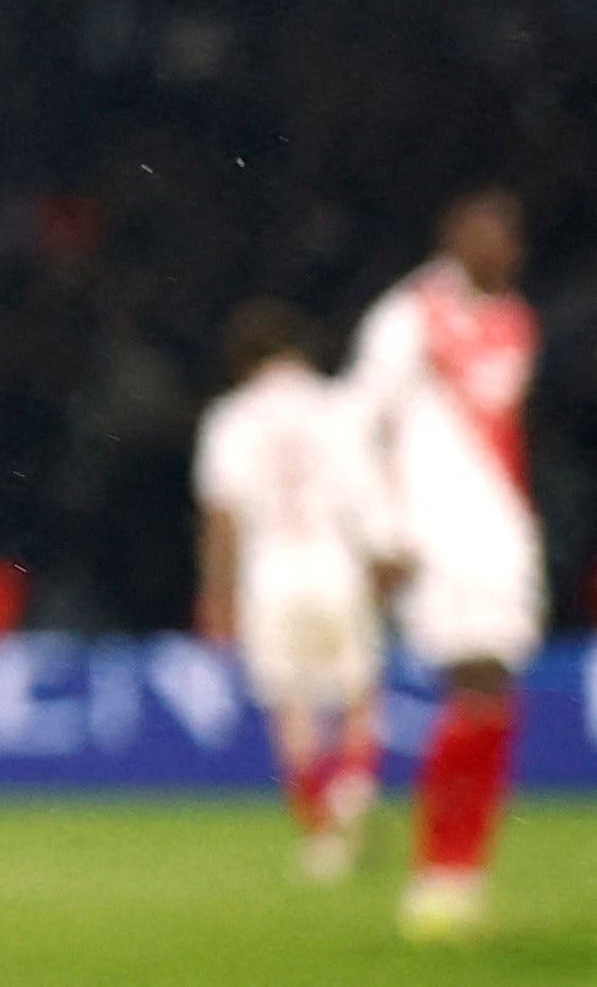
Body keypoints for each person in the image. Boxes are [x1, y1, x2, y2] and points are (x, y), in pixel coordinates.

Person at [356, 191, 543, 942]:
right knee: (472, 685)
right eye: (482, 233)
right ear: (451, 237)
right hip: (434, 539)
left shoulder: (514, 322)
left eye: (507, 235)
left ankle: (459, 872)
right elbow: (359, 426)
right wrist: (382, 532)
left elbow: (504, 435)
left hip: (500, 534)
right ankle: (438, 872)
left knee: (494, 696)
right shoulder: (406, 318)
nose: (497, 248)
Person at [194, 299, 389, 879]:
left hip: (271, 575)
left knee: (293, 708)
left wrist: (217, 594)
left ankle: (323, 839)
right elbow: (368, 500)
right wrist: (380, 572)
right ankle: (352, 787)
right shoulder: (339, 408)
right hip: (337, 567)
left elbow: (223, 519)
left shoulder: (232, 417)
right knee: (357, 695)